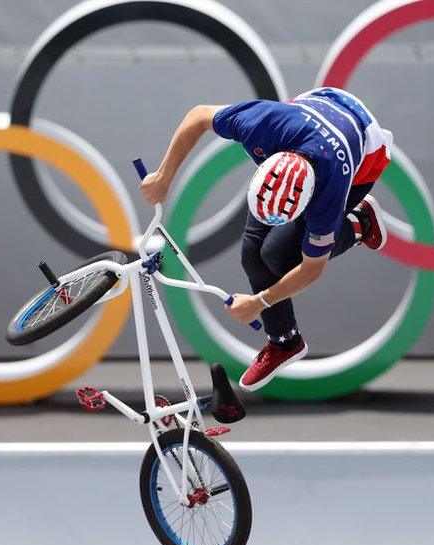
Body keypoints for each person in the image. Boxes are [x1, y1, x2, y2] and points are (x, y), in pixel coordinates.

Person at [139, 87, 393, 391]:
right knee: (252, 254)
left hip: (364, 154)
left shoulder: (329, 188)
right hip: (317, 107)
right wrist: (163, 175)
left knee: (280, 256)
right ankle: (285, 342)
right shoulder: (262, 123)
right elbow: (198, 116)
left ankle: (360, 224)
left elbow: (313, 269)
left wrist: (260, 302)